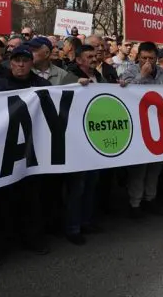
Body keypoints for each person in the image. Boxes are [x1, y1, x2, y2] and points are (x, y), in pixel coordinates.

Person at [0, 46, 52, 263]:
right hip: (5, 150)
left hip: (33, 149)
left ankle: (32, 238)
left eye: (25, 61)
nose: (20, 65)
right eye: (16, 61)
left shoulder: (41, 84)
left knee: (32, 197)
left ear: (31, 63)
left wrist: (80, 86)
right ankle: (0, 244)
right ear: (10, 62)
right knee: (2, 199)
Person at [120, 41, 163, 218]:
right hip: (138, 127)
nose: (147, 61)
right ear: (137, 57)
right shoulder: (130, 71)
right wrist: (141, 76)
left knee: (155, 167)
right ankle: (135, 203)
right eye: (143, 58)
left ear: (157, 58)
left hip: (159, 125)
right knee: (139, 169)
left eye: (151, 58)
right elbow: (125, 94)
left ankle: (151, 199)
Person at [60, 45, 103, 245]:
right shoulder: (69, 78)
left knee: (92, 185)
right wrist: (75, 85)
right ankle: (72, 227)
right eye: (89, 56)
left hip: (95, 140)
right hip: (76, 141)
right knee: (77, 187)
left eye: (95, 56)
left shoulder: (100, 78)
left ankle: (87, 221)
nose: (94, 59)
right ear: (78, 60)